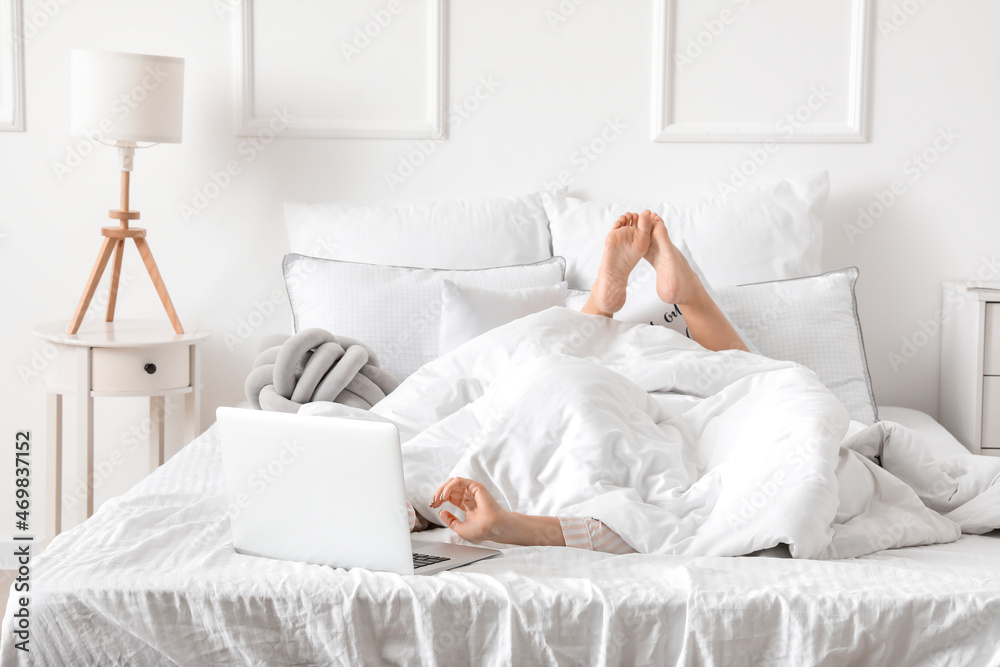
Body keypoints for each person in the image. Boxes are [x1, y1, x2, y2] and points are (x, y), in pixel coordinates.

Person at [414, 211, 750, 553]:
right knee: (753, 382)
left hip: (563, 384)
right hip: (588, 389)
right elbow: (753, 376)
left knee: (560, 367)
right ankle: (686, 296)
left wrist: (413, 504)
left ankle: (598, 310)